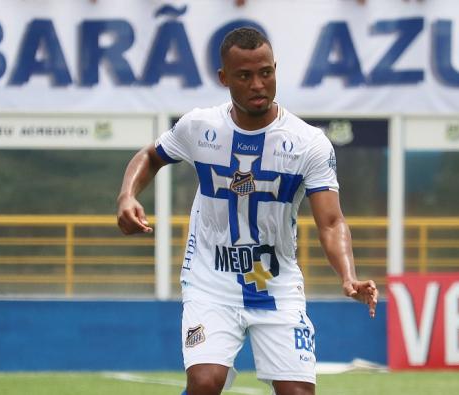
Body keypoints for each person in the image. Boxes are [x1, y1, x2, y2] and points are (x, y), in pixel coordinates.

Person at [117, 28, 378, 395]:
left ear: (275, 70)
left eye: (266, 73)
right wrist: (127, 196)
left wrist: (348, 276)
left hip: (276, 284)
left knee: (298, 393)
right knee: (205, 381)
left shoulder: (309, 143)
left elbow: (332, 222)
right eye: (244, 75)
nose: (258, 84)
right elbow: (150, 156)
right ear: (224, 78)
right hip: (210, 280)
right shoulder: (200, 127)